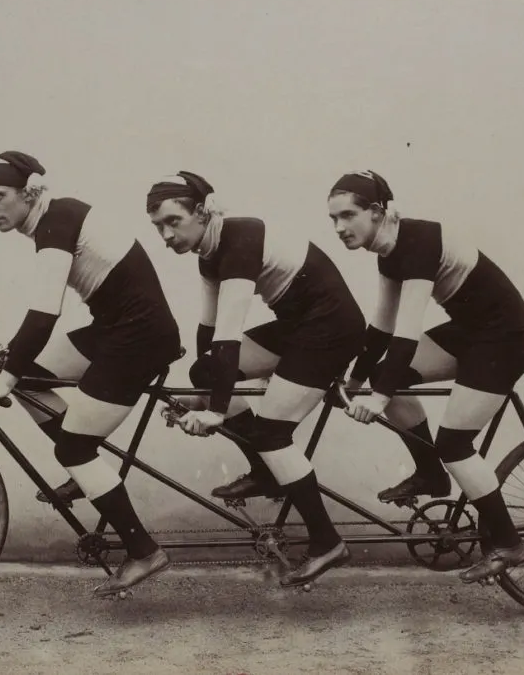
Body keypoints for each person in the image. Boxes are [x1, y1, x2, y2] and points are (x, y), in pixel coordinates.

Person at [0, 151, 182, 596]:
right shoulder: (53, 220)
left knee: (71, 446)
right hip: (116, 329)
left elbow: (45, 311)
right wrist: (9, 365)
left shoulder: (57, 220)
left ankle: (143, 551)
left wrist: (5, 378)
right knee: (28, 374)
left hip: (139, 338)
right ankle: (87, 470)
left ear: (28, 193)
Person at [145, 171, 366, 587]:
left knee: (271, 434)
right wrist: (204, 391)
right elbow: (209, 334)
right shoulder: (208, 252)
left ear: (203, 211)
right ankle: (265, 471)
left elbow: (229, 332)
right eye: (158, 226)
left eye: (173, 221)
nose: (165, 234)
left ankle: (327, 541)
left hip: (331, 328)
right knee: (204, 370)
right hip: (299, 326)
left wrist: (216, 411)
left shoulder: (239, 240)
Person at [327, 170, 524, 582]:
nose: (339, 228)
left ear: (376, 212)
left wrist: (379, 399)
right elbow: (382, 329)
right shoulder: (387, 251)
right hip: (471, 332)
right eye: (333, 219)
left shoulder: (420, 241)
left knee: (455, 443)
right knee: (391, 374)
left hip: (506, 340)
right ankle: (430, 473)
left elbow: (406, 331)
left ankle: (510, 542)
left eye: (347, 215)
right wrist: (356, 383)